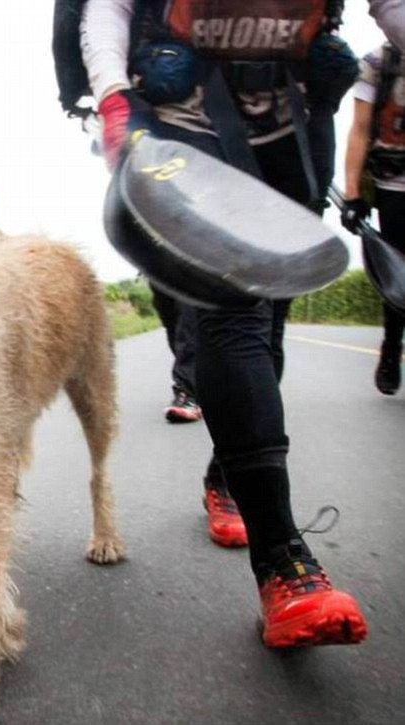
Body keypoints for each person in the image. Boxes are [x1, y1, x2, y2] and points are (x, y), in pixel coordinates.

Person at [81, 0, 368, 646]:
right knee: (231, 312)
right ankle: (285, 566)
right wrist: (112, 97)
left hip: (290, 135)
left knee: (268, 323)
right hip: (186, 131)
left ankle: (226, 472)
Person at [342, 41, 405, 395]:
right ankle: (391, 346)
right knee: (398, 273)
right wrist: (353, 193)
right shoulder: (381, 62)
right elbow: (360, 129)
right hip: (392, 184)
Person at [151, 285, 201, 423]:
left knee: (187, 307)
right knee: (168, 312)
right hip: (159, 266)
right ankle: (199, 381)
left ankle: (188, 392)